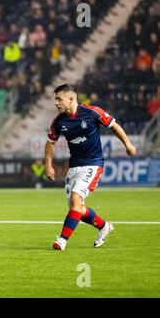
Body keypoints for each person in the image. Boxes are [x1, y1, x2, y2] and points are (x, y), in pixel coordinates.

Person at [45, 84, 136, 251]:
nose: (56, 103)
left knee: (75, 201)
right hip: (74, 167)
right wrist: (48, 165)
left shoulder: (92, 112)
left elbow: (114, 126)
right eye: (55, 99)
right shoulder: (59, 121)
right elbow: (51, 142)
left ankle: (62, 240)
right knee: (77, 208)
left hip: (93, 164)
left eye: (59, 99)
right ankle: (104, 226)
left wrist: (128, 145)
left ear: (71, 99)